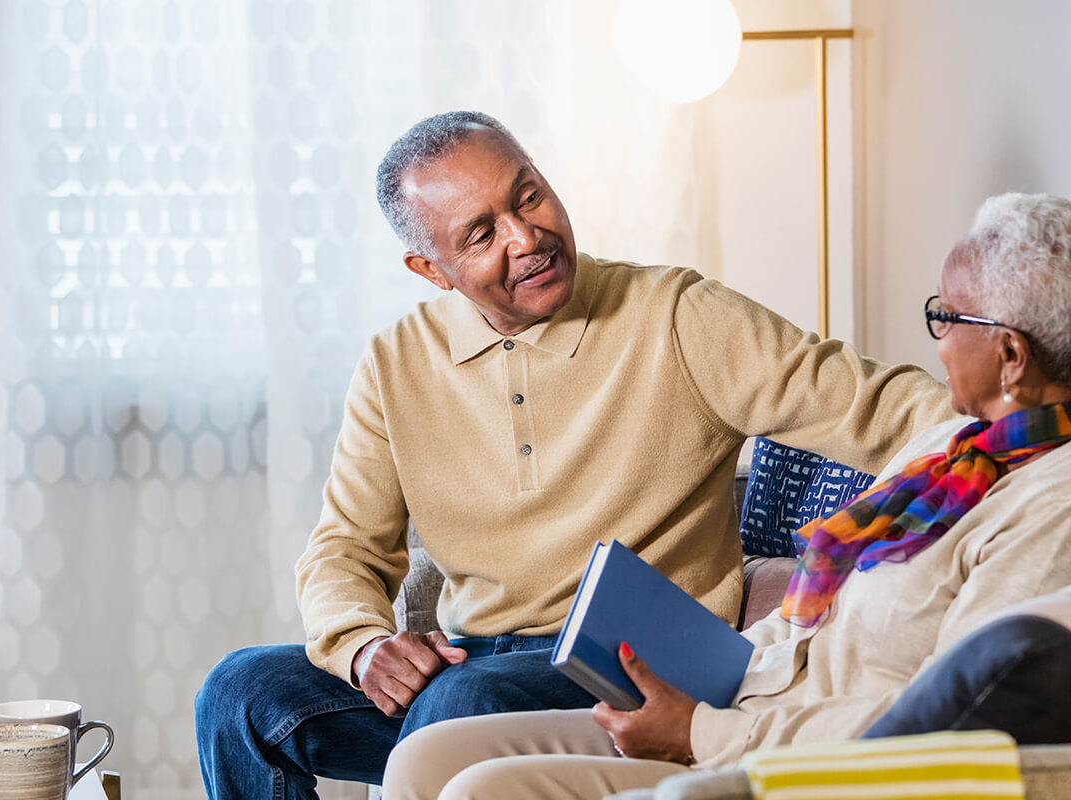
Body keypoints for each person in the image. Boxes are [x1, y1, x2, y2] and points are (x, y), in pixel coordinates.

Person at [193, 111, 953, 799]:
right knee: (240, 693)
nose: (526, 237)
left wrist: (1030, 427)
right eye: (481, 234)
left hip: (636, 665)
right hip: (474, 660)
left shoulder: (676, 315)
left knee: (457, 708)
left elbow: (881, 408)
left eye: (528, 197)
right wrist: (364, 650)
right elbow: (342, 550)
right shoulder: (397, 363)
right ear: (431, 270)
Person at [380, 193, 1071, 800]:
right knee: (425, 759)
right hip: (740, 699)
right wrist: (699, 680)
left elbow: (955, 732)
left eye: (945, 317)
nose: (936, 338)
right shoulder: (958, 445)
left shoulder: (1066, 506)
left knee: (479, 789)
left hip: (796, 765)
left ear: (1010, 355)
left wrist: (701, 735)